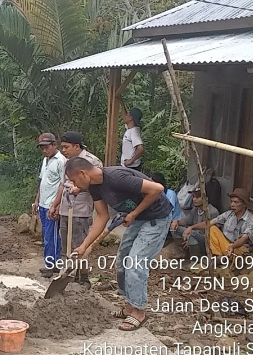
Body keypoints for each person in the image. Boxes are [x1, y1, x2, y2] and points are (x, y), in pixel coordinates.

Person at [66, 157, 171, 331]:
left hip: (156, 217)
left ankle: (139, 311)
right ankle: (130, 305)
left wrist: (135, 213)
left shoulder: (116, 177)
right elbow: (102, 216)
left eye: (73, 180)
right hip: (137, 218)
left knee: (135, 262)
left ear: (82, 173)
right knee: (122, 260)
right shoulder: (94, 187)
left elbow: (157, 189)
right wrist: (84, 246)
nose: (73, 185)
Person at [46, 131, 103, 282]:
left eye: (66, 147)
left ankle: (83, 277)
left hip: (81, 210)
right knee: (67, 244)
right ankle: (68, 275)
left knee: (80, 244)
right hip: (67, 208)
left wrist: (81, 188)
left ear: (76, 146)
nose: (63, 150)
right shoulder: (67, 162)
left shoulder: (92, 161)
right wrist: (55, 204)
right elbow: (62, 184)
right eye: (62, 147)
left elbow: (98, 182)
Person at [32, 132, 67, 276]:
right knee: (48, 235)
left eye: (47, 147)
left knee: (50, 236)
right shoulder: (45, 160)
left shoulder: (61, 161)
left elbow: (63, 184)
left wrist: (56, 204)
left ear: (54, 145)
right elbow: (43, 182)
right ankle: (54, 263)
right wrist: (36, 201)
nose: (44, 150)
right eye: (42, 148)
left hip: (52, 204)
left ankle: (51, 264)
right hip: (43, 203)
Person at [187, 187, 253, 257]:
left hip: (237, 247)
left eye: (236, 202)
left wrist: (233, 246)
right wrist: (192, 227)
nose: (232, 205)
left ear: (244, 204)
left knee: (241, 251)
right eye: (231, 201)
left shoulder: (252, 220)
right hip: (225, 245)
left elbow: (244, 238)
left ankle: (226, 259)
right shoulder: (228, 214)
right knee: (212, 228)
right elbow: (209, 223)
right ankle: (219, 257)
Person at [172, 188, 219, 258]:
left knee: (191, 234)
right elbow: (185, 221)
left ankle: (195, 261)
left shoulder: (212, 212)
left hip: (206, 240)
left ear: (206, 199)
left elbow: (207, 228)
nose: (194, 199)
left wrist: (191, 230)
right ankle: (184, 252)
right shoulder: (195, 209)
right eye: (193, 197)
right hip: (194, 235)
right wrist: (176, 221)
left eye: (197, 197)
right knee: (175, 228)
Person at [119, 103, 144, 172]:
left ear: (131, 118)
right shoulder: (129, 129)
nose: (125, 116)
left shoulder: (134, 131)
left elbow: (140, 148)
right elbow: (124, 115)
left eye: (127, 115)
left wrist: (131, 160)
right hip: (127, 167)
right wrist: (121, 102)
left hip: (131, 168)